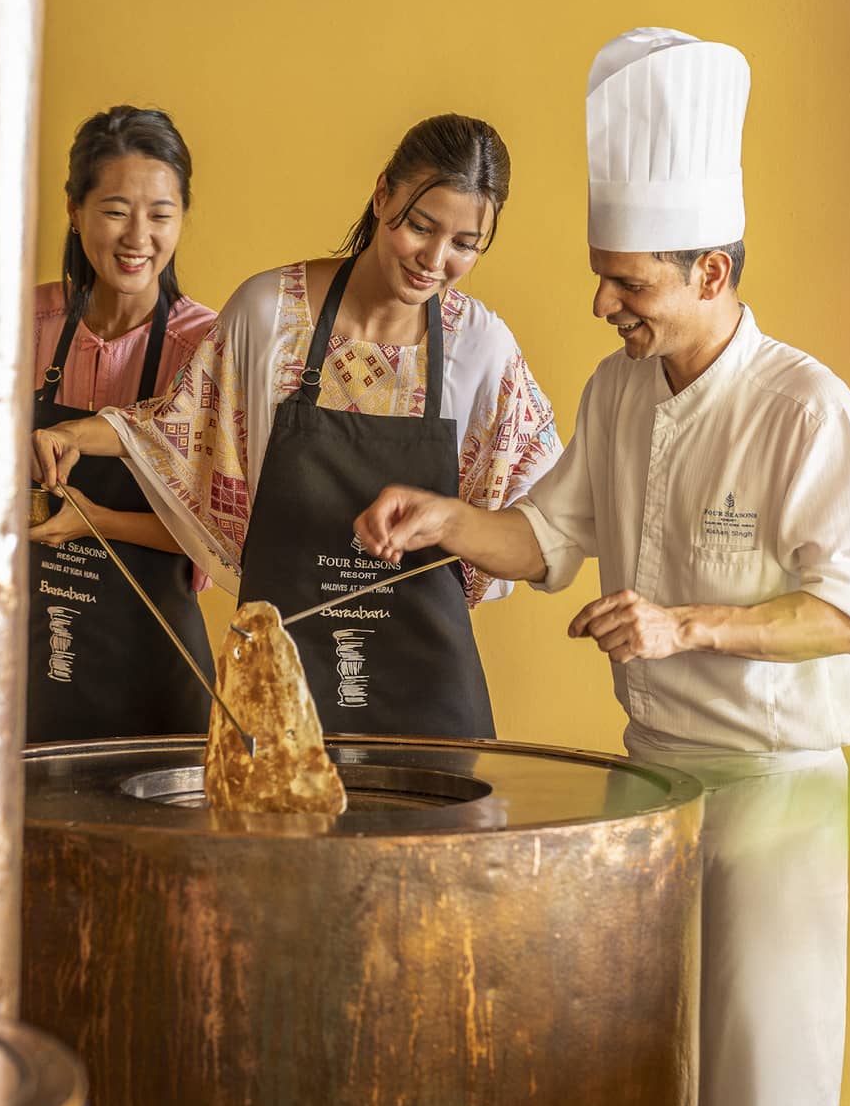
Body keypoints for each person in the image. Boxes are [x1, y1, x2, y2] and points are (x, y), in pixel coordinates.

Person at [353, 30, 850, 1106]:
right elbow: (546, 542)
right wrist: (444, 519)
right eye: (603, 279)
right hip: (652, 787)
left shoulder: (805, 411)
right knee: (638, 1070)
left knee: (759, 1088)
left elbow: (847, 612)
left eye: (628, 282)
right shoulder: (619, 391)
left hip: (773, 790)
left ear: (712, 272)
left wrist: (681, 624)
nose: (605, 304)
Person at [31, 113, 561, 739]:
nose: (435, 260)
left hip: (431, 699)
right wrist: (73, 434)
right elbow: (179, 429)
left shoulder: (484, 350)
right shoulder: (269, 314)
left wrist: (450, 522)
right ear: (382, 193)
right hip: (277, 687)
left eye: (466, 244)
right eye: (420, 226)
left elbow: (543, 544)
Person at [28, 105, 216, 741]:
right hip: (23, 658)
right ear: (75, 210)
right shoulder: (25, 325)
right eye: (115, 211)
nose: (139, 236)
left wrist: (98, 521)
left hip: (155, 673)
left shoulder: (208, 350)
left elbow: (222, 531)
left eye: (161, 215)